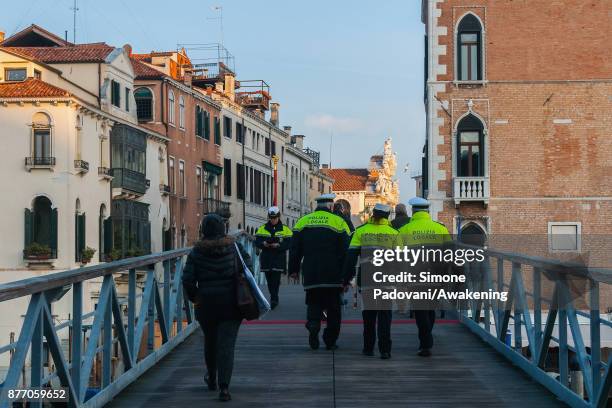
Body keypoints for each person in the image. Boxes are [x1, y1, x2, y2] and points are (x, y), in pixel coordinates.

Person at [182, 214, 252, 402]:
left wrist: (195, 297)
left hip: (206, 305)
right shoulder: (234, 247)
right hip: (231, 304)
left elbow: (187, 279)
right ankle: (224, 387)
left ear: (203, 230)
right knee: (226, 345)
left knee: (210, 341)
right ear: (223, 229)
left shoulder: (196, 252)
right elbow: (248, 267)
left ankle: (212, 376)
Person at [289, 193, 351, 350]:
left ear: (317, 205)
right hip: (333, 275)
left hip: (311, 273)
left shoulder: (302, 222)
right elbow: (346, 252)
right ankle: (330, 341)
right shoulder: (339, 222)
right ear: (330, 206)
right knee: (334, 309)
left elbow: (295, 249)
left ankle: (313, 326)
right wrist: (346, 277)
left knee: (313, 303)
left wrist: (294, 270)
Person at [343, 203, 399, 359]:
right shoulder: (394, 233)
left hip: (367, 281)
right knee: (385, 317)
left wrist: (346, 280)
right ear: (387, 217)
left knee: (368, 317)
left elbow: (350, 258)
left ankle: (368, 348)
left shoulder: (361, 232)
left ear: (373, 215)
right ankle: (385, 350)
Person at [398, 197, 451, 357]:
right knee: (431, 309)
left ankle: (425, 342)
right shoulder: (440, 229)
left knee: (420, 310)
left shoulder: (405, 230)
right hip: (436, 276)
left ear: (413, 211)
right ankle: (426, 339)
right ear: (428, 211)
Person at [254, 206, 293, 309]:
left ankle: (274, 299)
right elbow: (257, 242)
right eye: (271, 218)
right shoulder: (262, 228)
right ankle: (273, 296)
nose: (273, 220)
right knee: (269, 280)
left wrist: (279, 245)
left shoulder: (286, 229)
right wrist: (263, 243)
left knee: (275, 280)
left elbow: (289, 243)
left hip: (278, 259)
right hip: (267, 258)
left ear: (278, 217)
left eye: (275, 218)